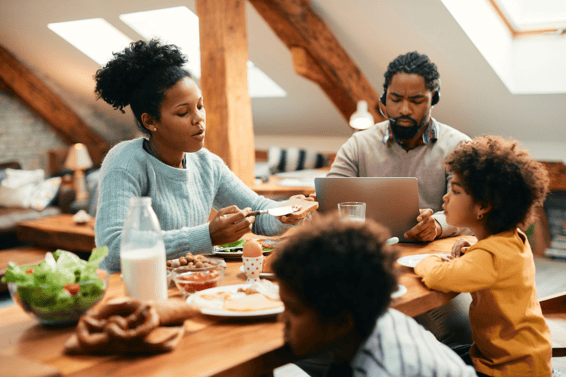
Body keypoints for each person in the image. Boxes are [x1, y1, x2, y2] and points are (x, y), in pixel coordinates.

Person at [93, 39, 313, 273]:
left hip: (190, 284)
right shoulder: (125, 162)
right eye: (183, 112)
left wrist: (289, 210)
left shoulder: (207, 164)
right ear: (150, 121)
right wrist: (207, 235)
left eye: (200, 106)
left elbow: (258, 213)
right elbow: (114, 250)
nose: (198, 119)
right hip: (133, 290)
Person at [271, 213, 478, 377]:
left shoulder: (381, 369)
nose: (282, 319)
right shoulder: (375, 320)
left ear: (342, 321)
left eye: (294, 310)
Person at [415, 135, 552, 376]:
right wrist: (470, 244)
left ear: (483, 206)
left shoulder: (489, 257)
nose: (445, 198)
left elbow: (437, 276)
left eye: (455, 191)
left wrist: (426, 261)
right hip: (522, 357)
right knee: (436, 357)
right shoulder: (512, 240)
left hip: (507, 368)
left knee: (425, 364)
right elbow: (490, 259)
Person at [328, 51, 471, 242]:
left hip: (433, 254)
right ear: (384, 99)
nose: (404, 109)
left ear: (434, 99)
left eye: (416, 100)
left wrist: (436, 226)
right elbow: (330, 205)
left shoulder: (459, 146)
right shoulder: (358, 145)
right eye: (395, 99)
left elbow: (468, 209)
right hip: (367, 252)